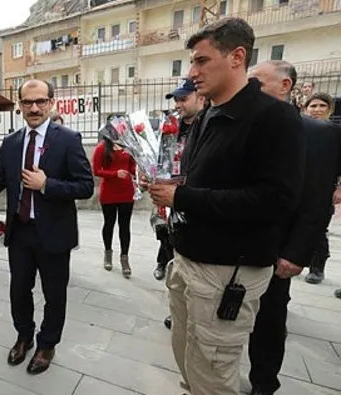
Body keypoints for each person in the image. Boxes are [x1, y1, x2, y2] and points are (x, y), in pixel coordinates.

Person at [147, 18, 303, 395]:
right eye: (191, 62)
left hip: (227, 273)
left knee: (213, 374)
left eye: (201, 61)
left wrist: (182, 197)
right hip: (189, 262)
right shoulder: (209, 115)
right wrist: (176, 186)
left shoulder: (274, 117)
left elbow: (275, 200)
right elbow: (212, 182)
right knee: (189, 363)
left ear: (237, 57)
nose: (192, 72)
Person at [0, 79, 95, 375]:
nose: (34, 107)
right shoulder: (12, 142)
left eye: (40, 101)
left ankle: (47, 344)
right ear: (19, 106)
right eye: (27, 102)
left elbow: (85, 186)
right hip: (21, 232)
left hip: (54, 233)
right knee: (19, 291)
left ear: (51, 103)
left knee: (55, 294)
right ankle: (24, 336)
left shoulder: (68, 139)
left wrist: (47, 185)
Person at [246, 60, 339, 395]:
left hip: (278, 249)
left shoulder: (317, 134)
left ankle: (263, 383)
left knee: (269, 318)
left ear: (284, 86)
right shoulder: (238, 124)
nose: (248, 87)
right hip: (233, 243)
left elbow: (316, 202)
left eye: (257, 81)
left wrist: (297, 253)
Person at [154, 78, 205, 282]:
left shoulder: (207, 126)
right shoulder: (172, 127)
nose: (177, 105)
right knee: (166, 233)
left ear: (200, 97)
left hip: (195, 198)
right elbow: (160, 157)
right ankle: (164, 265)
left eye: (183, 99)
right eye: (176, 100)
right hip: (169, 192)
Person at [302, 92, 338, 285]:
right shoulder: (301, 129)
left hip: (323, 189)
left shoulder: (334, 132)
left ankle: (317, 267)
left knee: (319, 228)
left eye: (321, 106)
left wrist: (338, 189)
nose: (317, 110)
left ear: (329, 109)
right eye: (313, 106)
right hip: (301, 186)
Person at [92, 136, 136, 278]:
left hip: (127, 192)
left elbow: (133, 167)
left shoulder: (129, 145)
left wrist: (138, 173)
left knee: (125, 226)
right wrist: (114, 173)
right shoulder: (101, 148)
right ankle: (108, 254)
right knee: (109, 224)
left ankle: (125, 258)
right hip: (109, 192)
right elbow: (97, 170)